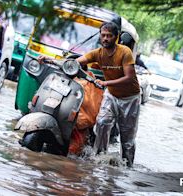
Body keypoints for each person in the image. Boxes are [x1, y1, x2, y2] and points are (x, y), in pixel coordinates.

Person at [41, 22, 140, 166]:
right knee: (101, 123)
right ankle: (100, 158)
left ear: (116, 38)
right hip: (111, 95)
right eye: (103, 35)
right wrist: (48, 59)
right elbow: (74, 62)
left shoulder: (125, 52)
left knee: (127, 138)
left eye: (109, 36)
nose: (105, 39)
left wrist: (106, 83)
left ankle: (128, 165)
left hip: (130, 98)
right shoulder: (98, 53)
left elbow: (129, 77)